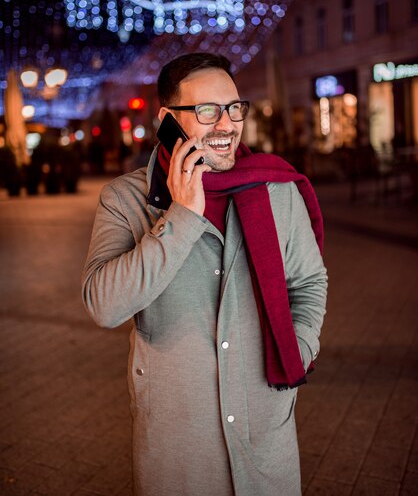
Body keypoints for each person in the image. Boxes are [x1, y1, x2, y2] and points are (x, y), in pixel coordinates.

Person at [82, 52, 328, 496]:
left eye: (234, 108)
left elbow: (309, 283)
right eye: (207, 111)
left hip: (265, 425)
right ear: (167, 119)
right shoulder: (125, 200)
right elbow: (104, 305)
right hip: (177, 440)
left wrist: (301, 346)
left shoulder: (276, 188)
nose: (226, 125)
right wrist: (180, 218)